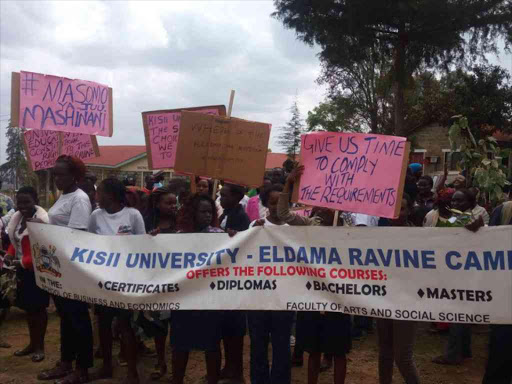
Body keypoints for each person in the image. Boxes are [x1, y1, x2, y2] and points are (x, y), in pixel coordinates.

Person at [278, 165, 351, 384]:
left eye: (327, 205)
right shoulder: (309, 224)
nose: (321, 208)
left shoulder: (349, 231)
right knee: (313, 350)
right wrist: (289, 184)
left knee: (338, 352)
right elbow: (283, 214)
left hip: (338, 300)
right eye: (319, 204)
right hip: (312, 299)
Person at [37, 155, 93, 384]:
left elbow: (75, 236)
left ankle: (82, 369)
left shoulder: (79, 199)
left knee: (78, 318)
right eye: (55, 174)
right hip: (59, 268)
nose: (57, 178)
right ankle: (66, 362)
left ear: (74, 175)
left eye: (61, 174)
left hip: (72, 269)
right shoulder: (64, 196)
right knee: (66, 318)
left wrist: (47, 231)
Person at [87, 178, 145, 384]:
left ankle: (132, 372)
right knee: (103, 323)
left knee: (124, 324)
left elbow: (142, 246)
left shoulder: (133, 215)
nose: (96, 196)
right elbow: (89, 244)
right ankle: (106, 366)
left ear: (110, 195)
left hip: (125, 281)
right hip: (103, 280)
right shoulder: (96, 216)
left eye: (99, 192)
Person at [169, 193, 224, 384]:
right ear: (193, 213)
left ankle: (212, 380)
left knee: (212, 345)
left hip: (209, 299)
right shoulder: (179, 236)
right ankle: (177, 380)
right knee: (180, 345)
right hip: (184, 299)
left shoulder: (219, 235)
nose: (207, 215)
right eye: (203, 212)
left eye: (210, 212)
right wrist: (154, 241)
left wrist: (234, 236)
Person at [432, 188, 484, 365]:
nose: (455, 204)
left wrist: (475, 229)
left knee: (456, 313)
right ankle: (465, 350)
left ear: (470, 203)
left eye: (459, 201)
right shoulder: (456, 218)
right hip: (455, 271)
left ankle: (453, 354)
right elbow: (443, 231)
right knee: (462, 313)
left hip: (465, 273)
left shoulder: (474, 219)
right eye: (453, 200)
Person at [247, 183, 293, 384]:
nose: (276, 206)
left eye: (281, 202)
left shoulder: (293, 229)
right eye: (272, 202)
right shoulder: (256, 226)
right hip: (258, 296)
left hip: (284, 296)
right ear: (265, 204)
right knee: (258, 343)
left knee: (281, 343)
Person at [377, 194, 420, 384]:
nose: (395, 213)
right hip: (382, 299)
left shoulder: (422, 236)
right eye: (392, 208)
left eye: (401, 208)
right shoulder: (376, 237)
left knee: (402, 357)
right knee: (384, 353)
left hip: (408, 302)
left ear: (409, 210)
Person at [5, 187, 50, 363]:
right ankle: (32, 344)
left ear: (35, 200)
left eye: (27, 202)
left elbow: (43, 251)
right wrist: (9, 253)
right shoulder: (19, 218)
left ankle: (40, 347)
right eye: (19, 202)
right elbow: (15, 242)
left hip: (37, 272)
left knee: (39, 309)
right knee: (29, 310)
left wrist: (22, 262)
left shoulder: (41, 222)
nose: (22, 206)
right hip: (22, 270)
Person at [140, 187, 178, 380]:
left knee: (178, 327)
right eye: (168, 203)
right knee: (159, 327)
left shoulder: (182, 223)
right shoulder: (148, 224)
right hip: (157, 282)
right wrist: (149, 239)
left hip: (180, 282)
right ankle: (161, 361)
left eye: (175, 203)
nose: (173, 206)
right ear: (157, 204)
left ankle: (176, 368)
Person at [218, 183, 250, 382]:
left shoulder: (240, 217)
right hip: (224, 278)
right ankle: (228, 366)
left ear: (237, 197)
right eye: (220, 195)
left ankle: (236, 371)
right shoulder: (226, 213)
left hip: (234, 279)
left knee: (235, 330)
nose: (220, 198)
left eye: (224, 195)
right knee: (226, 329)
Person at [482, 201, 512, 384]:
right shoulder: (504, 210)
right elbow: (488, 246)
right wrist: (476, 234)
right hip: (506, 301)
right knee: (501, 355)